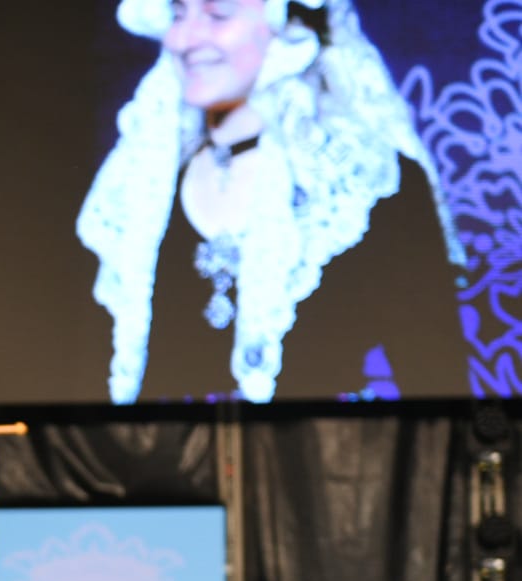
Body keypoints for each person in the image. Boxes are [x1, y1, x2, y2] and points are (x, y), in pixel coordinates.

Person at [77, 0, 466, 403]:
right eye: (178, 14)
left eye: (217, 14)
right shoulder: (139, 193)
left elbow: (438, 399)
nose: (184, 38)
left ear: (287, 27)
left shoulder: (367, 189)